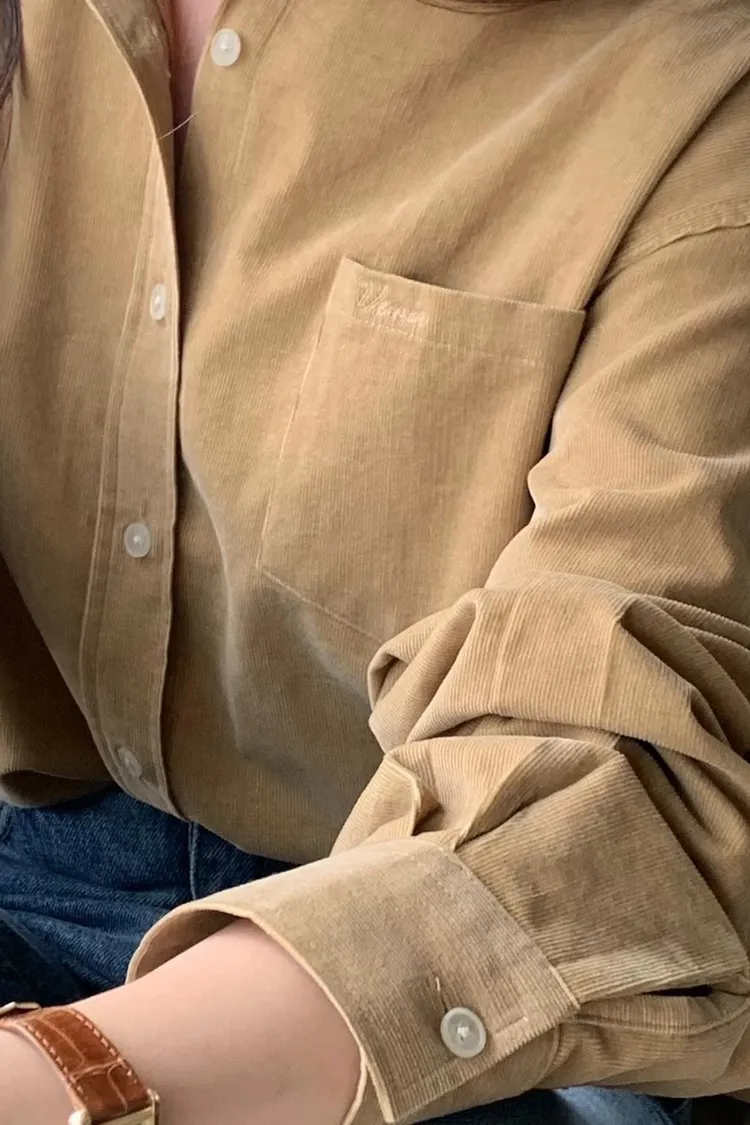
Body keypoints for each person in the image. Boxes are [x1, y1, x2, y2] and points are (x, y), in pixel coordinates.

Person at [0, 0, 749, 1122]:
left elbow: (626, 794)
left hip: (467, 963)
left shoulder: (694, 92)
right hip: (44, 842)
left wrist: (71, 1079)